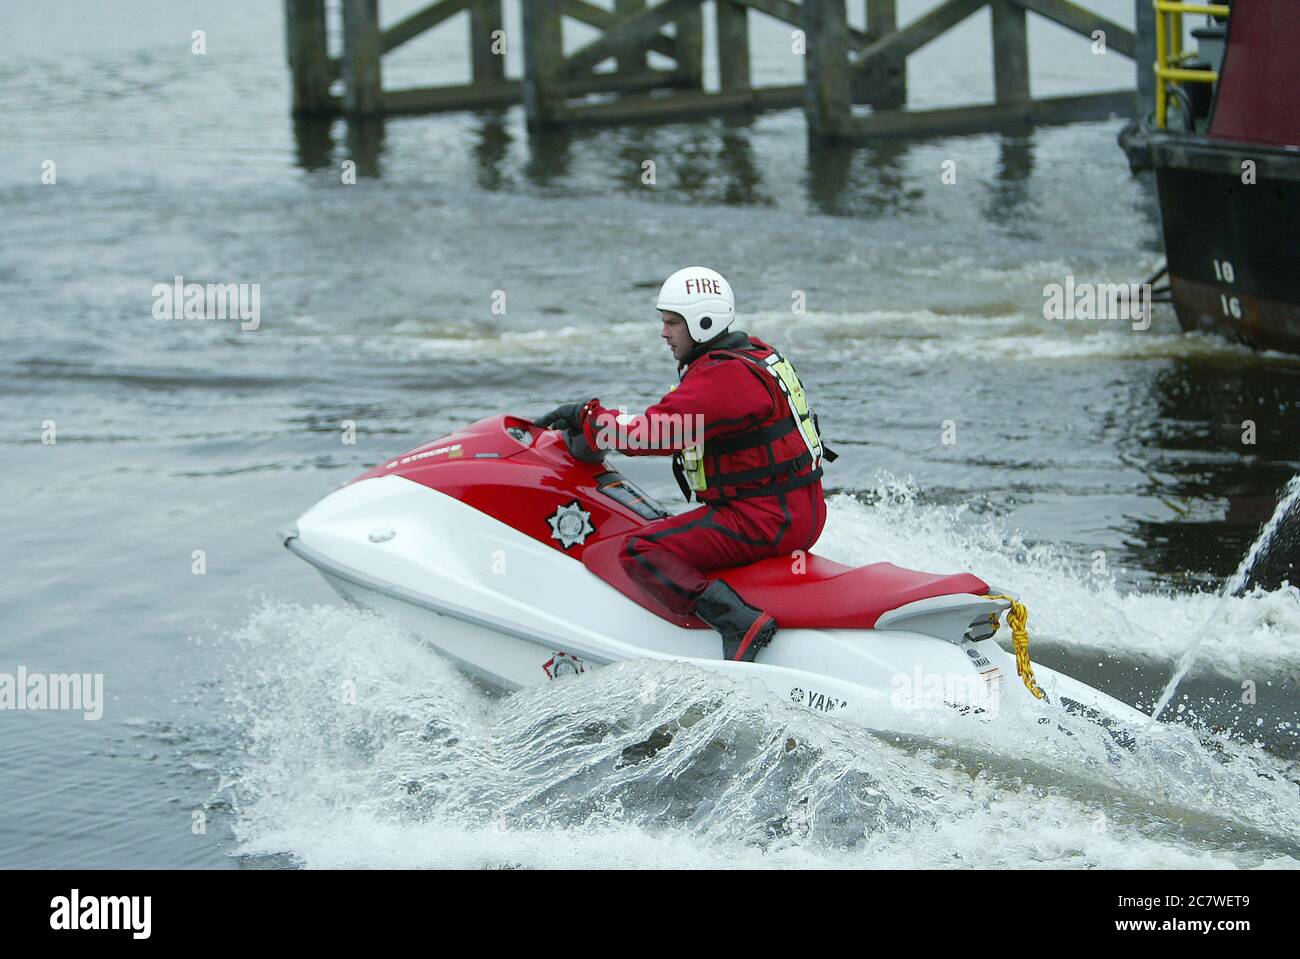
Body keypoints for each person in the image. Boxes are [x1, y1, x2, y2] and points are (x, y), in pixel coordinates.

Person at [536, 267, 834, 663]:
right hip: (795, 511)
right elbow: (671, 419)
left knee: (642, 549)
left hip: (766, 520)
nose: (664, 333)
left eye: (672, 323)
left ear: (702, 322)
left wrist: (589, 418)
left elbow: (648, 435)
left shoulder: (725, 377)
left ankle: (737, 622)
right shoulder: (755, 353)